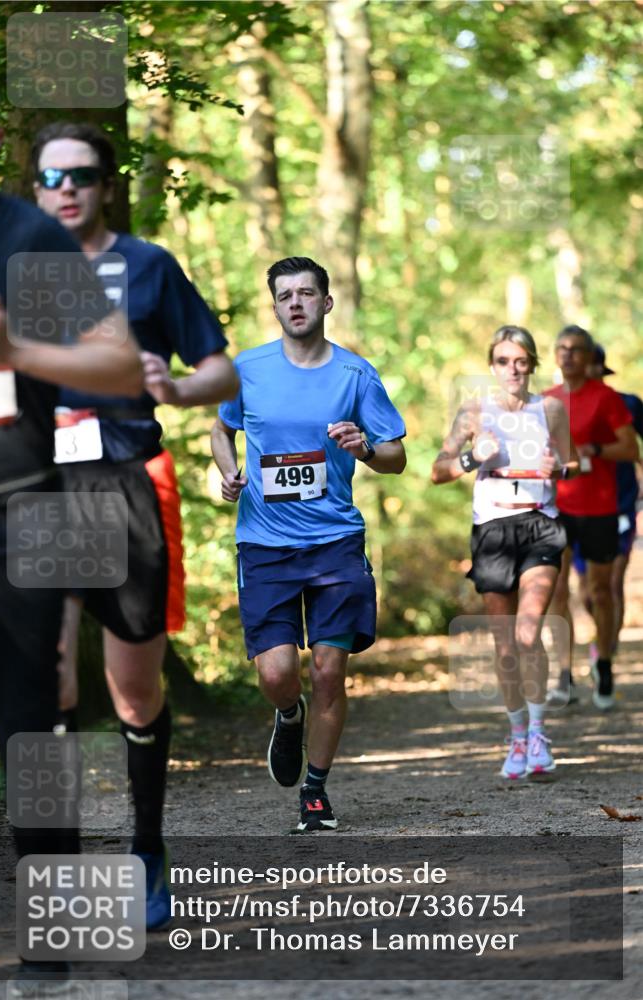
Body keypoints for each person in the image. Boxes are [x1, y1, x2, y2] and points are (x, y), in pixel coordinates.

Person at [30, 121, 239, 928]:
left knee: (133, 688)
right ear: (36, 186)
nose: (66, 189)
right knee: (47, 678)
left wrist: (180, 392)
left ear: (106, 183)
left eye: (81, 174)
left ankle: (147, 846)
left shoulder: (147, 266)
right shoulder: (8, 267)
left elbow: (216, 366)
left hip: (122, 480)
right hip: (36, 486)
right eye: (51, 177)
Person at [0, 75, 143, 992]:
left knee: (31, 727)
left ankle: (50, 932)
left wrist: (17, 353)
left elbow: (118, 365)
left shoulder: (26, 238)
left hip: (20, 511)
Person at [210, 256, 406, 831]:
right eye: (284, 295)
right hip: (265, 545)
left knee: (328, 670)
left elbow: (396, 457)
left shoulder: (355, 376)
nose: (294, 303)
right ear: (274, 306)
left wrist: (365, 446)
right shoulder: (247, 370)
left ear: (326, 303)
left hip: (336, 543)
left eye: (305, 293)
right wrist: (226, 472)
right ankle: (287, 716)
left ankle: (315, 793)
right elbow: (222, 428)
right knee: (277, 675)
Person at [432, 325, 578, 780]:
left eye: (521, 361)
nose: (512, 369)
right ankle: (516, 736)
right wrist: (473, 459)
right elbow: (438, 470)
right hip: (492, 529)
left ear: (532, 364)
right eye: (503, 361)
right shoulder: (475, 410)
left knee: (529, 632)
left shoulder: (551, 408)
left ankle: (538, 733)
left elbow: (570, 464)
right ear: (492, 365)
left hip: (539, 524)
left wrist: (562, 467)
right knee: (505, 643)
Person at [544, 326, 638, 711]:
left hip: (600, 506)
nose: (568, 356)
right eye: (562, 348)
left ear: (588, 357)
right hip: (556, 507)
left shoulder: (607, 398)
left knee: (599, 591)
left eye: (576, 350)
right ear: (555, 355)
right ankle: (562, 675)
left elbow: (630, 447)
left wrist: (594, 448)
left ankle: (604, 662)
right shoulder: (544, 401)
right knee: (557, 589)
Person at [568, 344, 643, 674]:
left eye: (595, 365)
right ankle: (602, 639)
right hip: (577, 506)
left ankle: (605, 658)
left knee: (612, 582)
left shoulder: (626, 404)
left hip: (620, 504)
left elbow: (636, 448)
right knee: (588, 591)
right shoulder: (561, 404)